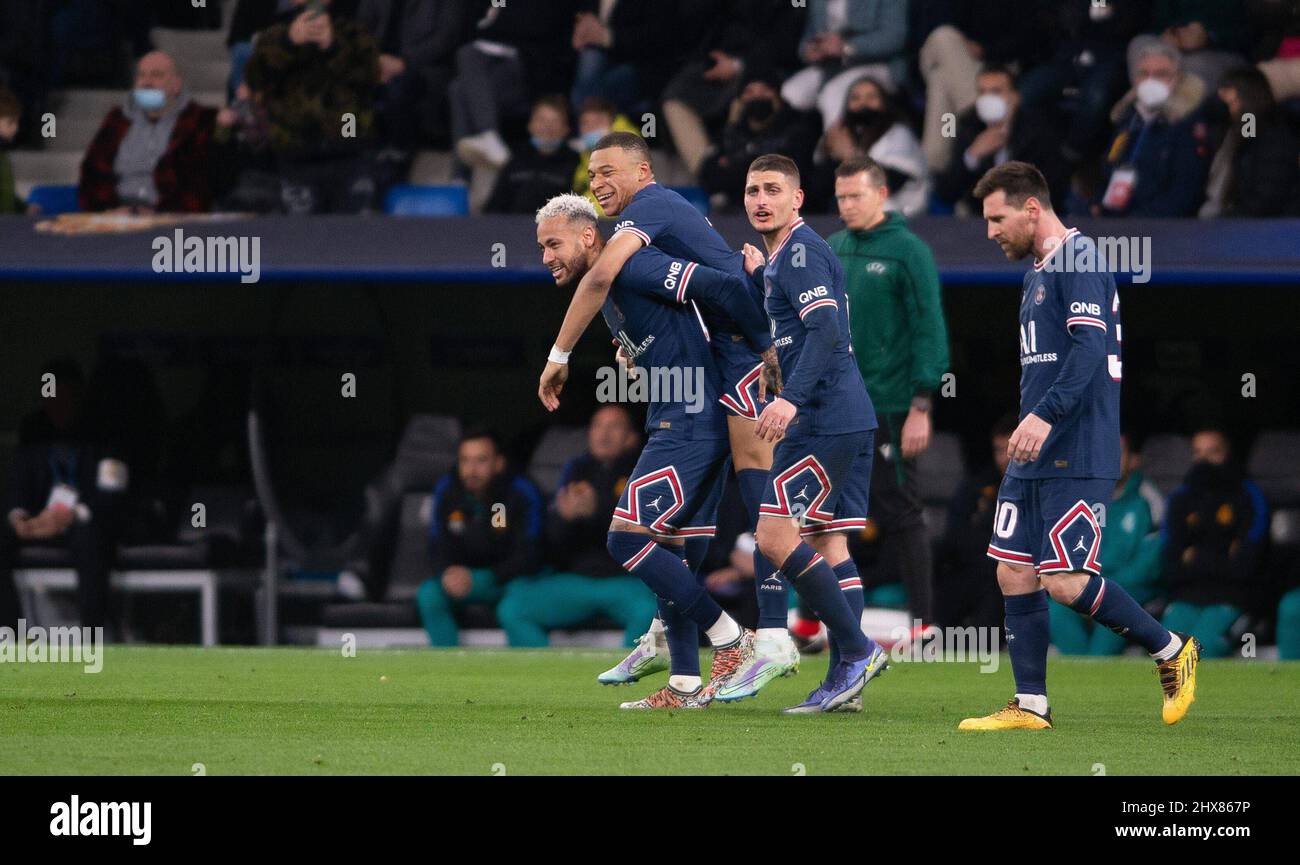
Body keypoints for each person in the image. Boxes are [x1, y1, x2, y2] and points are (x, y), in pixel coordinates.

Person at [536, 133, 798, 691]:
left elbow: (722, 284)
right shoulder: (616, 285)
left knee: (634, 535)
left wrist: (767, 345)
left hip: (707, 400)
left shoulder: (632, 255)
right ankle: (680, 676)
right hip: (686, 403)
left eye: (553, 245)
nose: (546, 259)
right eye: (592, 174)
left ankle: (750, 636)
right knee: (680, 545)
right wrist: (635, 358)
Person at [963, 160, 1200, 731]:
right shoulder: (1038, 271)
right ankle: (1030, 707)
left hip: (1076, 445)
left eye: (997, 219)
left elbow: (1089, 351)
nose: (990, 231)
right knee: (1013, 572)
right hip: (1033, 450)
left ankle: (1172, 651)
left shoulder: (1081, 259)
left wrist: (1043, 417)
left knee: (1064, 581)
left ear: (1031, 208)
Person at [718, 153, 889, 713]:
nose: (760, 200)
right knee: (828, 540)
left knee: (772, 537)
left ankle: (858, 653)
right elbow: (798, 332)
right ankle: (849, 681)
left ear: (797, 198)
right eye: (751, 191)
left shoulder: (799, 250)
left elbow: (826, 330)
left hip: (821, 419)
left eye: (772, 189)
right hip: (845, 416)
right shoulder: (783, 260)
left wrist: (789, 399)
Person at [826, 155, 950, 634]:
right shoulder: (832, 247)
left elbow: (930, 328)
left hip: (891, 404)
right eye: (839, 197)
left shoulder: (909, 251)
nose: (846, 205)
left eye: (855, 195)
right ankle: (824, 620)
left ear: (881, 194)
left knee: (900, 508)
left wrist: (923, 404)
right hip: (836, 403)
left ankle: (924, 624)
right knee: (823, 511)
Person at [496, 406, 655, 648]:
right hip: (576, 581)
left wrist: (599, 511)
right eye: (598, 426)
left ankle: (626, 678)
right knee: (514, 607)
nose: (604, 434)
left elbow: (651, 533)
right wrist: (564, 518)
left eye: (614, 427)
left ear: (631, 437)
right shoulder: (575, 469)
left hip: (626, 581)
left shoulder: (648, 469)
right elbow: (552, 542)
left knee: (653, 612)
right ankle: (549, 679)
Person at [0, 358, 129, 632]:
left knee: (91, 537)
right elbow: (17, 484)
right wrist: (19, 518)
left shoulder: (104, 430)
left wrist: (73, 514)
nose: (58, 406)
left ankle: (92, 635)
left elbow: (112, 492)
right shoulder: (34, 428)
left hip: (82, 519)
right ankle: (8, 636)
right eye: (52, 397)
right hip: (38, 522)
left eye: (66, 397)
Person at [243, 0, 381, 214]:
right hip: (295, 154)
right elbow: (256, 81)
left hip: (349, 151)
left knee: (354, 235)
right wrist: (288, 43)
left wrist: (333, 47)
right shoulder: (273, 37)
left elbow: (370, 77)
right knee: (299, 237)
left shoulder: (354, 33)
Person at [415, 429, 545, 647]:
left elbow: (531, 554)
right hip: (463, 581)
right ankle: (448, 674)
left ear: (499, 463)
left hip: (511, 580)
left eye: (481, 460)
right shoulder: (447, 490)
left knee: (516, 607)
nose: (471, 470)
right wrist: (446, 573)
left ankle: (540, 674)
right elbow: (436, 545)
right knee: (429, 595)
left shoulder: (522, 491)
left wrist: (486, 577)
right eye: (465, 461)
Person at [659, 0, 807, 178]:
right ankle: (707, 171)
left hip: (771, 68)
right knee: (676, 93)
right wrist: (713, 59)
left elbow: (786, 43)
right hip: (723, 60)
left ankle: (746, 176)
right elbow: (709, 23)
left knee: (753, 94)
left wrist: (739, 65)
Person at [1050, 433, 1166, 655]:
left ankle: (1093, 676)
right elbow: (1066, 550)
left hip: (1131, 590)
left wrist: (1101, 591)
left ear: (1134, 460)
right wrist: (1084, 587)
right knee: (1057, 612)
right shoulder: (1083, 497)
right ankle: (1082, 681)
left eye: (1118, 453)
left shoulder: (1148, 500)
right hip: (1087, 586)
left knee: (1111, 617)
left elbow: (1149, 564)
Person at [1161, 429, 1270, 658]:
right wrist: (1220, 554)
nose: (1204, 460)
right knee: (1167, 649)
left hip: (1231, 597)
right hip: (1186, 596)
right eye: (1198, 452)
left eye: (1213, 452)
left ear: (1228, 455)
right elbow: (1171, 560)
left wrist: (1196, 557)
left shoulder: (1249, 496)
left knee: (1203, 647)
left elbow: (1247, 562)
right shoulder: (1180, 498)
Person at [450, 0, 582, 171]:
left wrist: (496, 26)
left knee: (465, 63)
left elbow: (537, 25)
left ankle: (485, 141)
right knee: (459, 88)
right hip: (493, 63)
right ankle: (461, 180)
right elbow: (481, 18)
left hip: (532, 68)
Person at [78, 51, 216, 213]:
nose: (147, 82)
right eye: (141, 76)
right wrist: (109, 210)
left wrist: (160, 213)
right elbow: (92, 173)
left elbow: (200, 182)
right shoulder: (117, 120)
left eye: (157, 75)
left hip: (171, 218)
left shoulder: (198, 121)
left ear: (176, 85)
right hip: (116, 215)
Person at [1095, 37, 1213, 217]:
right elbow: (1109, 167)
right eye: (1144, 73)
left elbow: (1184, 192)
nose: (1150, 81)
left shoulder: (1188, 124)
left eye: (1160, 74)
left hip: (1161, 227)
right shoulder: (1128, 118)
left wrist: (1137, 222)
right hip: (1117, 221)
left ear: (1178, 78)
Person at [935, 66, 1070, 214]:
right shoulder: (968, 125)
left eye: (995, 92)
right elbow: (946, 192)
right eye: (982, 92)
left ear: (1015, 97)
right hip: (980, 221)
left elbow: (1053, 189)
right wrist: (971, 156)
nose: (988, 99)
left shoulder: (1039, 130)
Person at [933, 413, 1018, 632]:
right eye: (999, 450)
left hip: (1009, 574)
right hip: (972, 569)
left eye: (1010, 450)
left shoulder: (1039, 489)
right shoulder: (980, 486)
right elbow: (954, 536)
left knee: (995, 588)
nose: (1004, 458)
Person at [698, 67, 820, 212]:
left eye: (764, 90)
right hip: (737, 215)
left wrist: (734, 165)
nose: (757, 97)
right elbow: (708, 176)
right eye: (750, 92)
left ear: (777, 95)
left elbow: (792, 175)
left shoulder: (800, 128)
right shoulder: (731, 133)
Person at [780, 0, 909, 130]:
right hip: (832, 65)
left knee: (833, 94)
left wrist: (845, 47)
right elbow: (808, 37)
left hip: (879, 64)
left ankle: (837, 148)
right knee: (793, 93)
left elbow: (894, 38)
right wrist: (808, 51)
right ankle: (796, 145)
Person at [811, 76, 929, 216]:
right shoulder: (841, 134)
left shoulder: (898, 133)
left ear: (885, 103)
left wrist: (849, 156)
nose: (863, 103)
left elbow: (890, 183)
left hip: (901, 215)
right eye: (856, 98)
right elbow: (818, 190)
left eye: (871, 97)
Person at [355, 0, 465, 150]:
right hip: (377, 61)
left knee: (398, 88)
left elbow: (446, 38)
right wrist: (374, 60)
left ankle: (399, 152)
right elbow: (360, 29)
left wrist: (404, 62)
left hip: (423, 66)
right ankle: (345, 149)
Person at [1199, 65, 1300, 217]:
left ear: (1248, 98)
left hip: (1254, 224)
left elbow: (1265, 199)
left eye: (1233, 102)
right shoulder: (1230, 129)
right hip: (1222, 216)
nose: (1229, 108)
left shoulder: (1269, 135)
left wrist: (1227, 219)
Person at [484, 96, 579, 215]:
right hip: (512, 229)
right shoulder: (515, 160)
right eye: (541, 120)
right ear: (530, 125)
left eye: (555, 121)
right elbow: (494, 207)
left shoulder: (576, 163)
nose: (547, 126)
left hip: (557, 230)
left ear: (566, 128)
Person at [570, 97, 638, 210]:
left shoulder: (630, 143)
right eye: (586, 124)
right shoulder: (586, 153)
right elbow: (580, 186)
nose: (591, 128)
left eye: (598, 122)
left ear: (612, 123)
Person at [0, 86, 33, 214]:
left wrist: (23, 207)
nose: (16, 128)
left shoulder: (3, 156)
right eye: (10, 122)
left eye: (17, 122)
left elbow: (5, 194)